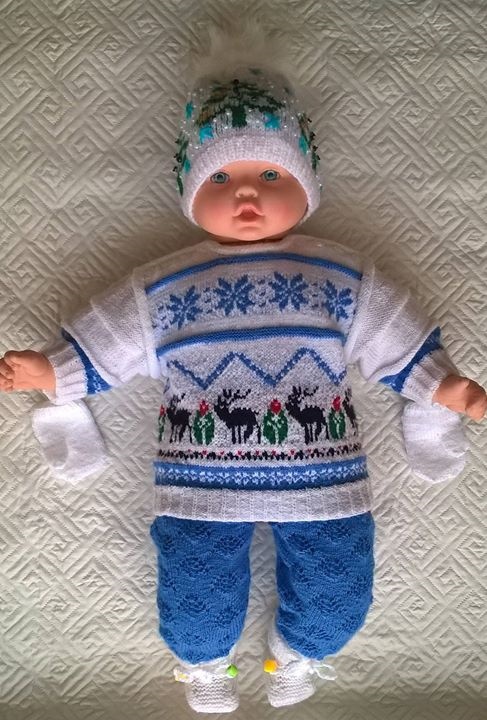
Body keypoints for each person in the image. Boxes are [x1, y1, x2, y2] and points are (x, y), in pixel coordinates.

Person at [0, 21, 486, 715]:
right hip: (200, 486)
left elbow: (392, 333)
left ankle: (297, 652)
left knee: (338, 593)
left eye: (270, 174)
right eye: (221, 177)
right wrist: (53, 370)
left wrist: (442, 383)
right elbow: (111, 339)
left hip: (323, 482)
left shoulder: (337, 274)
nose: (246, 194)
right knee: (194, 596)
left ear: (307, 183)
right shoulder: (165, 285)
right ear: (190, 190)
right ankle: (205, 665)